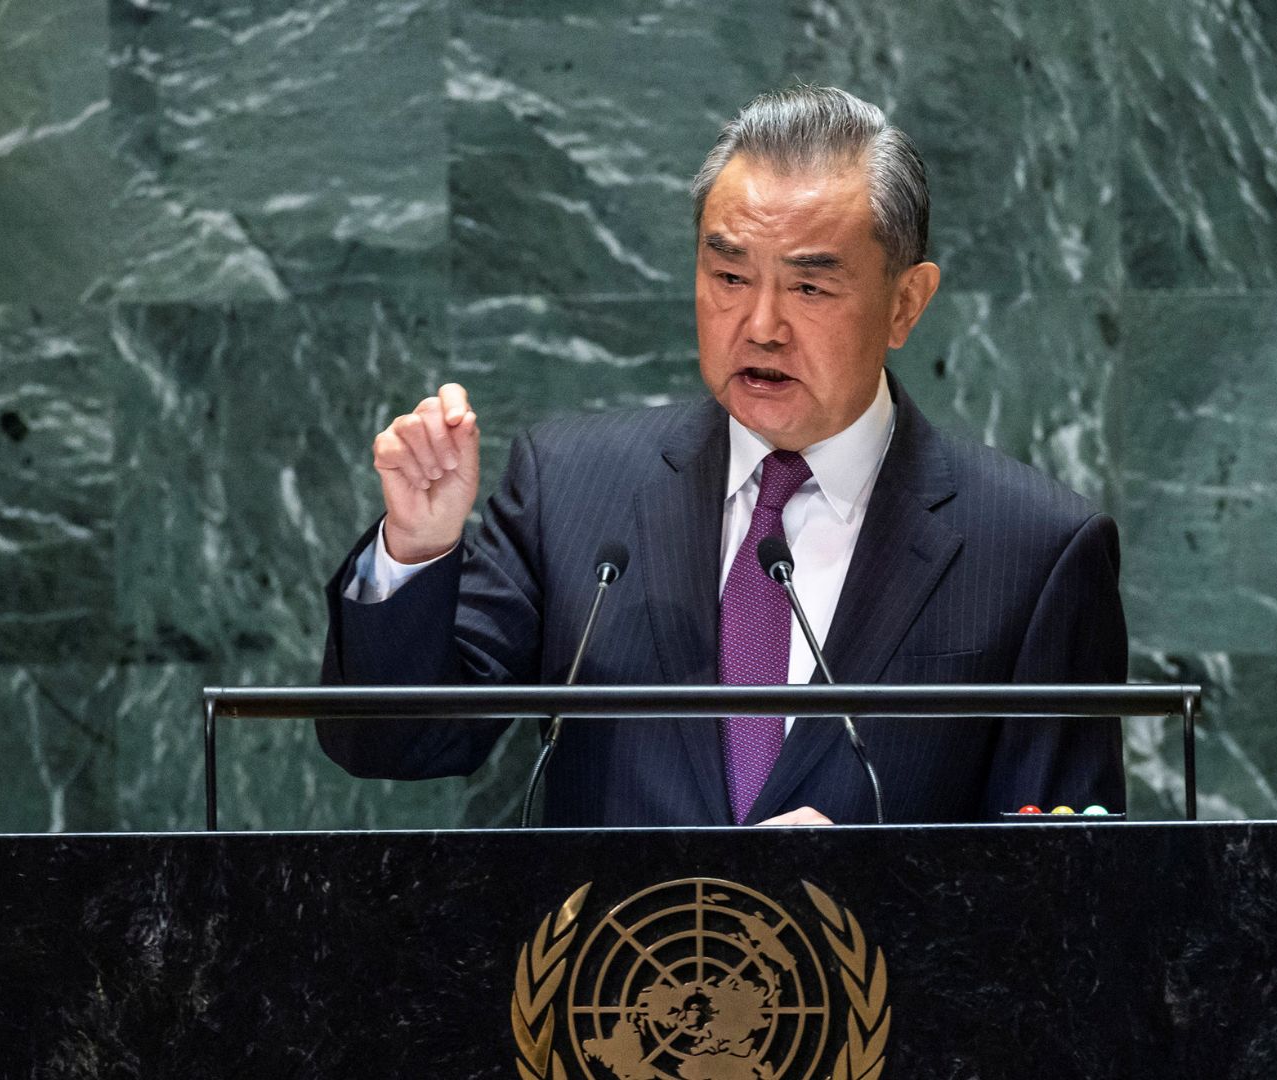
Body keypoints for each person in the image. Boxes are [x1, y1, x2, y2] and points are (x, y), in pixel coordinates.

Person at [317, 86, 1127, 826]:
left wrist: (888, 891)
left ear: (905, 303)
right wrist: (417, 549)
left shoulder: (1034, 550)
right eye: (729, 274)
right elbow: (395, 743)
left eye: (810, 287)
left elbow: (1062, 902)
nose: (762, 324)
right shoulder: (570, 489)